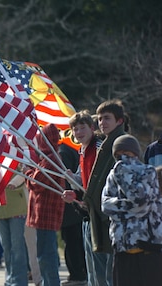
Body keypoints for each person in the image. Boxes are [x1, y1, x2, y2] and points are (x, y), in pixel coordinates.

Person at [101, 134, 162, 286]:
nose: (122, 158)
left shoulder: (148, 172)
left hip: (147, 246)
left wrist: (123, 172)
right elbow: (105, 205)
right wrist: (130, 208)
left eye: (126, 153)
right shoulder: (113, 175)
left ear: (135, 153)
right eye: (118, 155)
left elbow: (142, 201)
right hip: (122, 246)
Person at [83, 99, 128, 286]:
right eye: (100, 119)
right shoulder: (106, 143)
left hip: (113, 217)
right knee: (99, 272)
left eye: (107, 118)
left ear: (119, 121)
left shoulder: (121, 143)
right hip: (99, 215)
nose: (102, 123)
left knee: (112, 273)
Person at [63, 110, 103, 286]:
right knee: (91, 264)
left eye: (82, 128)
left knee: (102, 266)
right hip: (86, 212)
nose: (78, 132)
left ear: (92, 128)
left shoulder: (100, 147)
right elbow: (82, 181)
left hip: (100, 214)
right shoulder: (82, 150)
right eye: (75, 129)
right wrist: (72, 180)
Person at [25, 123, 65, 286]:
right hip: (41, 215)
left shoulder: (51, 160)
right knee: (44, 254)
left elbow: (36, 182)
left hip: (46, 215)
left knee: (46, 256)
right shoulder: (46, 160)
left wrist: (27, 171)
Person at [0, 166, 29, 286]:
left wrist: (14, 182)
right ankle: (10, 279)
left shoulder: (14, 150)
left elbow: (25, 171)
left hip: (16, 206)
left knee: (17, 246)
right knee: (6, 247)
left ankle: (19, 281)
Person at [59, 143, 87, 286]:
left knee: (72, 242)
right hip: (74, 204)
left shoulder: (63, 152)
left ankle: (78, 274)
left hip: (70, 206)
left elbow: (65, 180)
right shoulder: (71, 150)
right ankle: (79, 273)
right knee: (75, 242)